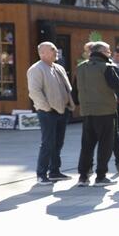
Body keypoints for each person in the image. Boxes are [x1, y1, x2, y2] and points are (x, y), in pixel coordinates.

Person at [74, 41, 119, 186]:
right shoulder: (107, 67)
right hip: (105, 111)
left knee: (87, 145)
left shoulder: (81, 67)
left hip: (87, 112)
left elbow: (75, 92)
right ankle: (100, 176)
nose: (110, 54)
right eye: (108, 51)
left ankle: (83, 176)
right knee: (105, 145)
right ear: (102, 52)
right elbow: (117, 86)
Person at [26, 42, 77, 184]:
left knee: (58, 143)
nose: (56, 52)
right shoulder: (36, 69)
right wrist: (46, 107)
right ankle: (41, 174)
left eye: (55, 49)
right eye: (53, 50)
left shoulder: (58, 67)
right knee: (47, 143)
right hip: (48, 112)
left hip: (62, 110)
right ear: (42, 53)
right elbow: (34, 91)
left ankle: (54, 171)